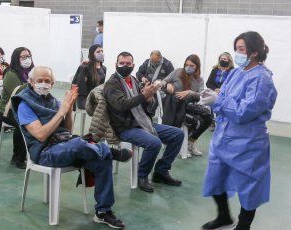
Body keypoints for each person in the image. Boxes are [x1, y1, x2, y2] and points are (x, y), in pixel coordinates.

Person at [13, 66, 131, 228]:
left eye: (47, 81)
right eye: (39, 81)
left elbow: (67, 131)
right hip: (44, 152)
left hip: (65, 145)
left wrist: (69, 110)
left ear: (53, 83)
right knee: (82, 144)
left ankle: (103, 212)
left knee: (100, 159)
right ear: (31, 82)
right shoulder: (24, 104)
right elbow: (40, 135)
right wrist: (61, 112)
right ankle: (108, 151)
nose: (43, 84)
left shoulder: (53, 101)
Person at [200, 31, 277, 230]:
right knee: (215, 178)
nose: (237, 53)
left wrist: (219, 103)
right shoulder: (237, 72)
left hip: (248, 142)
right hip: (224, 137)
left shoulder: (262, 79)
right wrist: (213, 97)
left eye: (242, 49)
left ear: (254, 52)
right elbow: (224, 96)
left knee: (249, 188)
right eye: (237, 48)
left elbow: (245, 111)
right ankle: (224, 216)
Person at [103, 52, 184, 193]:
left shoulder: (134, 81)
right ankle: (142, 175)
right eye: (121, 63)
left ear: (133, 65)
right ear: (116, 65)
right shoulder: (111, 84)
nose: (125, 66)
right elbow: (121, 105)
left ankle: (161, 171)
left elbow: (145, 107)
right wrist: (143, 96)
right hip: (125, 127)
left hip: (142, 122)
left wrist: (148, 99)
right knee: (154, 143)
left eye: (128, 64)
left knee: (178, 134)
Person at [162, 54, 213, 156]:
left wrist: (190, 92)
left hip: (189, 106)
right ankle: (180, 144)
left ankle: (190, 142)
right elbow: (163, 81)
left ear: (197, 67)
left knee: (208, 118)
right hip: (175, 106)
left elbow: (201, 96)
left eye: (192, 66)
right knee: (194, 120)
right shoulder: (177, 72)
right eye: (187, 64)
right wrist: (167, 84)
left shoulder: (199, 80)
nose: (188, 67)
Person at [0, 47, 34, 169]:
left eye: (28, 56)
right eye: (23, 57)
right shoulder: (11, 73)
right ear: (16, 58)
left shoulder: (31, 72)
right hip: (8, 110)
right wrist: (33, 84)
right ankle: (19, 158)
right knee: (24, 123)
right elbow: (20, 95)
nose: (27, 59)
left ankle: (35, 153)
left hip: (24, 108)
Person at [71, 44, 106, 111]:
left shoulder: (104, 69)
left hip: (97, 97)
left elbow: (101, 87)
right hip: (84, 99)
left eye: (102, 51)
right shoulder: (85, 68)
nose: (101, 53)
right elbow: (81, 88)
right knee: (101, 108)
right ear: (92, 54)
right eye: (98, 52)